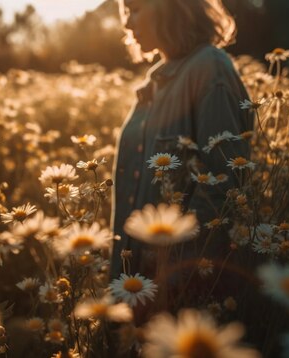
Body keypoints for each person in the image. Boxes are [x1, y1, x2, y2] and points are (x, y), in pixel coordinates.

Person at [109, 0, 254, 315]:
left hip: (178, 295)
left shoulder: (209, 68)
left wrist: (173, 278)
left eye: (135, 9)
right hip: (134, 286)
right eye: (124, 11)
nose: (127, 24)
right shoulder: (152, 85)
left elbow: (223, 186)